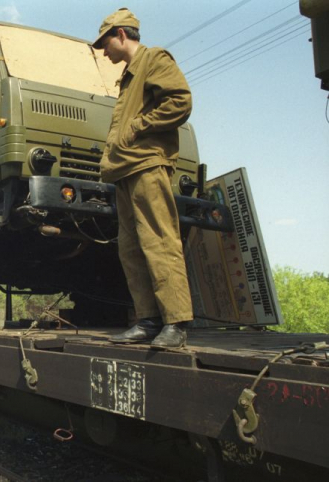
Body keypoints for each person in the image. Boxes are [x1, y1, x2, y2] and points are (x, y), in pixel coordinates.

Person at [92, 8, 193, 348]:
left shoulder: (154, 59)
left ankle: (176, 323)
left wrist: (138, 125)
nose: (104, 52)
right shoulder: (129, 75)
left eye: (105, 43)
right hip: (125, 171)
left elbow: (180, 101)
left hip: (147, 165)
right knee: (131, 248)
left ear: (121, 34)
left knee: (159, 241)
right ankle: (148, 320)